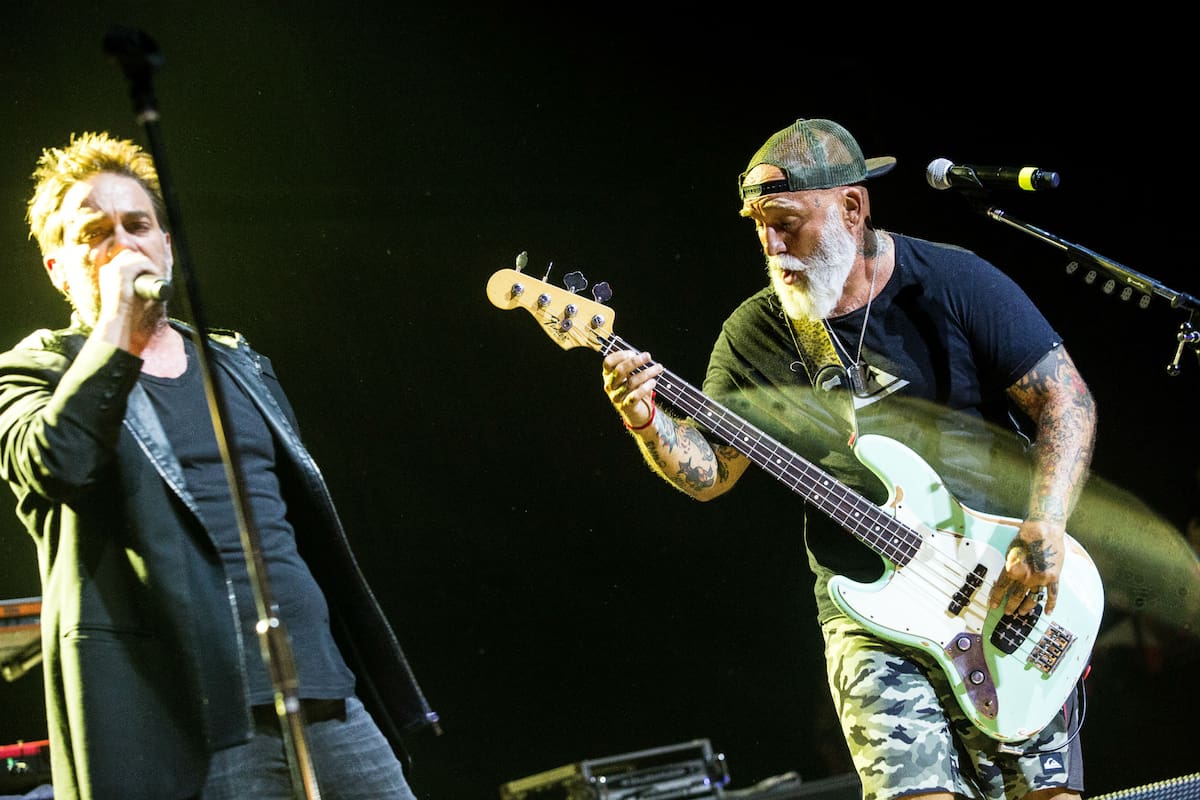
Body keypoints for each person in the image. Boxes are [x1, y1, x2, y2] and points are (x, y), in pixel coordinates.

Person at [600, 118, 1098, 800]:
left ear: (853, 208)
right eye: (757, 225)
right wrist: (646, 421)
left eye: (787, 222)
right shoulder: (759, 332)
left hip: (1001, 587)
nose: (771, 246)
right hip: (869, 611)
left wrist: (1045, 524)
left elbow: (1066, 406)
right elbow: (710, 472)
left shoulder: (952, 282)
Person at [0, 131, 438, 800]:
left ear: (166, 244)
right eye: (95, 231)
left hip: (328, 704)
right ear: (59, 267)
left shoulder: (238, 363)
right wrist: (119, 322)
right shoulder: (37, 373)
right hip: (195, 730)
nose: (123, 242)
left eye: (138, 224)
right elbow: (57, 465)